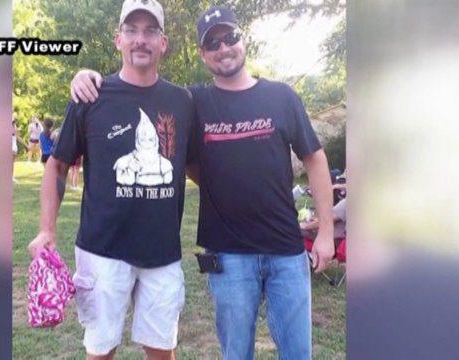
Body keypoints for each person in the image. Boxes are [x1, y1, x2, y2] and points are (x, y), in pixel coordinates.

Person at [70, 5, 335, 359]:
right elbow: (185, 158)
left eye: (230, 38)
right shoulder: (193, 102)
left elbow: (315, 159)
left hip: (286, 249)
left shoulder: (281, 96)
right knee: (236, 353)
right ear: (202, 53)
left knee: (298, 353)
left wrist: (328, 233)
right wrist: (85, 75)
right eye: (213, 43)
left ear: (243, 41)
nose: (224, 48)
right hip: (228, 254)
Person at [27, 1, 194, 358]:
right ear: (118, 39)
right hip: (102, 252)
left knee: (163, 349)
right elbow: (56, 166)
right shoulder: (90, 95)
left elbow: (193, 165)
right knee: (100, 350)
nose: (140, 39)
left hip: (162, 253)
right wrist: (46, 228)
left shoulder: (183, 101)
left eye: (150, 31)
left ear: (163, 42)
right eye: (131, 30)